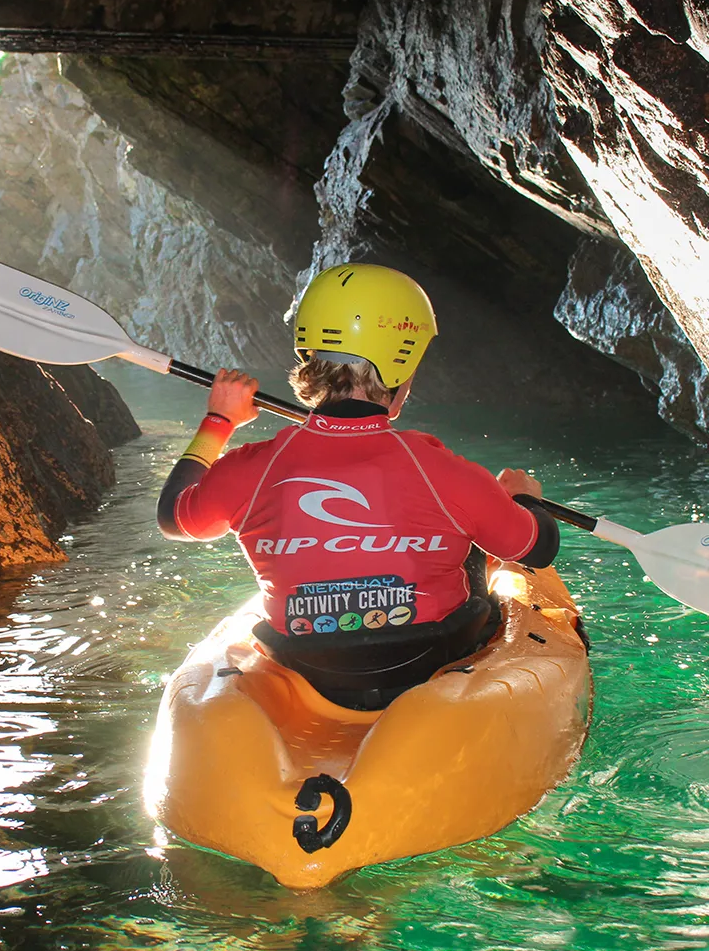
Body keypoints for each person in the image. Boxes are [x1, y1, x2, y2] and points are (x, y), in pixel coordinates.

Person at [157, 263, 559, 710]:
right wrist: (523, 497)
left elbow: (174, 518)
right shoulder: (440, 469)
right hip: (435, 661)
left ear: (309, 356)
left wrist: (219, 420)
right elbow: (536, 548)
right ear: (400, 367)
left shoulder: (249, 467)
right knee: (472, 544)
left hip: (307, 666)